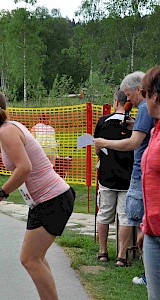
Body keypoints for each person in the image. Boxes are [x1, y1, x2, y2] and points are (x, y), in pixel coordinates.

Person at [0, 89, 75, 300]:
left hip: (53, 200)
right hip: (46, 201)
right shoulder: (8, 128)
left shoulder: (6, 130)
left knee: (30, 259)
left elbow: (24, 168)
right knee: (35, 258)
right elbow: (6, 145)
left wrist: (2, 192)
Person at [94, 71, 155, 285]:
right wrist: (134, 126)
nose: (128, 100)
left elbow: (133, 143)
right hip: (132, 174)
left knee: (136, 219)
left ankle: (148, 273)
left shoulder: (146, 108)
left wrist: (103, 142)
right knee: (131, 218)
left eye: (129, 95)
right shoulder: (144, 111)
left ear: (140, 90)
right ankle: (126, 259)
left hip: (135, 174)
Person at [93, 89, 134, 266]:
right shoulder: (134, 123)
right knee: (124, 217)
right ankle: (121, 256)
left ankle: (103, 251)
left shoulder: (103, 122)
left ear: (116, 101)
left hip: (107, 176)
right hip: (128, 176)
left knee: (103, 215)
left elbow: (97, 148)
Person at [138, 66, 160, 299]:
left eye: (143, 93)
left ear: (154, 95)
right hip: (153, 234)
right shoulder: (155, 130)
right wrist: (146, 224)